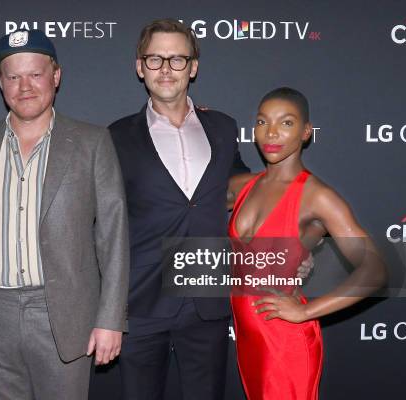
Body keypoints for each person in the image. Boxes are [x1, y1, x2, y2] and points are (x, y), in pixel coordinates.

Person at [0, 29, 129, 400]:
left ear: (56, 76)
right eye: (13, 76)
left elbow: (114, 235)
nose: (25, 86)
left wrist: (111, 319)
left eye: (35, 74)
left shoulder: (91, 142)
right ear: (0, 82)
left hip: (65, 316)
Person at [109, 19, 249, 399]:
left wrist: (292, 250)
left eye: (177, 59)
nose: (166, 69)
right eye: (155, 59)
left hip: (206, 300)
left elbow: (247, 195)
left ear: (194, 66)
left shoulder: (223, 127)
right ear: (140, 67)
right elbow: (101, 224)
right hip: (141, 301)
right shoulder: (114, 137)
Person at [227, 87, 386, 399]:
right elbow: (184, 199)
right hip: (250, 339)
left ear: (306, 132)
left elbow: (376, 270)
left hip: (286, 341)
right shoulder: (243, 186)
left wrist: (306, 311)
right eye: (262, 122)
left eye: (286, 123)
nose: (271, 132)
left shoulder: (317, 196)